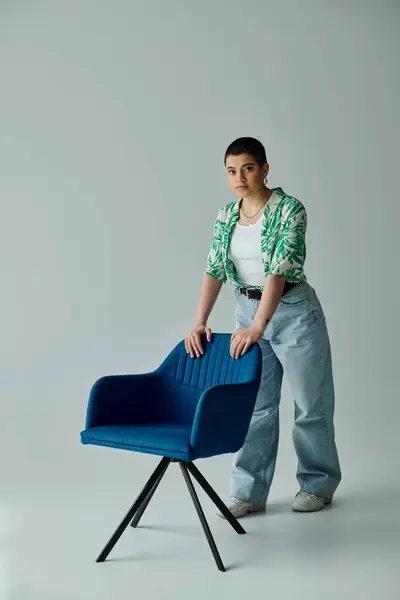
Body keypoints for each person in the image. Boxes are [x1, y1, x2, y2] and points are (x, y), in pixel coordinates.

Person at [185, 137, 341, 518]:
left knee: (310, 404)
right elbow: (214, 269)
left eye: (248, 168)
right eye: (231, 171)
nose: (239, 177)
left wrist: (259, 326)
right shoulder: (226, 215)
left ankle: (318, 484)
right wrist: (199, 322)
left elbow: (277, 271)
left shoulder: (289, 209)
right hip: (247, 312)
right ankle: (248, 493)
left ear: (265, 169)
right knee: (255, 406)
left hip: (293, 312)